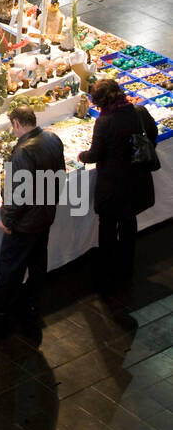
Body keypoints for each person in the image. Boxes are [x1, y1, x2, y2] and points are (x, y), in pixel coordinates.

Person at [0, 108, 65, 328]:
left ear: (16, 123)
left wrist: (7, 219)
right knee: (37, 262)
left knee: (11, 266)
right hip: (45, 214)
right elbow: (60, 174)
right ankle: (32, 303)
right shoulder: (52, 138)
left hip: (26, 222)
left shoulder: (23, 151)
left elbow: (18, 193)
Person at [78, 79, 158, 294]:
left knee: (108, 225)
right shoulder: (138, 112)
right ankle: (126, 266)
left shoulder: (105, 122)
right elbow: (152, 134)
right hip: (135, 179)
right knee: (129, 221)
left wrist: (81, 156)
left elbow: (95, 154)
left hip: (113, 184)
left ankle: (106, 269)